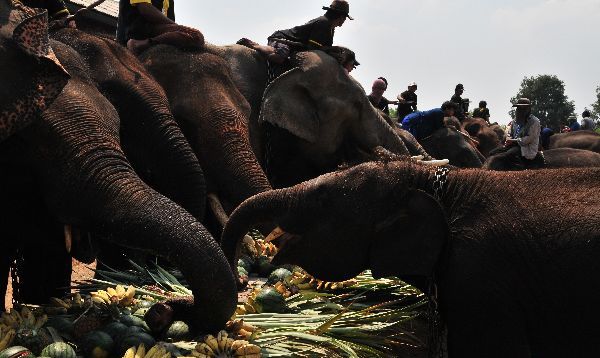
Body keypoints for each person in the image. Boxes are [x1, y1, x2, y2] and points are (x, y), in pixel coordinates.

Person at [237, 1, 353, 65]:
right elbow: (313, 48)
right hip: (282, 39)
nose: (343, 21)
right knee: (279, 57)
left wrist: (333, 50)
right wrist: (332, 49)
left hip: (293, 46)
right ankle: (253, 45)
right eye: (344, 18)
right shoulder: (323, 23)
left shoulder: (330, 28)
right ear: (341, 17)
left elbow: (323, 47)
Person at [116, 0, 204, 54]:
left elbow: (169, 22)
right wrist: (179, 28)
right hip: (137, 29)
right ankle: (139, 44)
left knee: (196, 37)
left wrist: (177, 29)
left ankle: (148, 43)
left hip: (154, 30)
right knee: (195, 36)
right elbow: (145, 9)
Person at [505, 98, 541, 163]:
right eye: (519, 108)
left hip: (525, 148)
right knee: (494, 152)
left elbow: (528, 139)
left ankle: (520, 169)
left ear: (528, 109)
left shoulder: (534, 121)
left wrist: (513, 141)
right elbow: (509, 131)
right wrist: (508, 138)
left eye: (523, 108)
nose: (520, 110)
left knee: (508, 154)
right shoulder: (515, 120)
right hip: (513, 145)